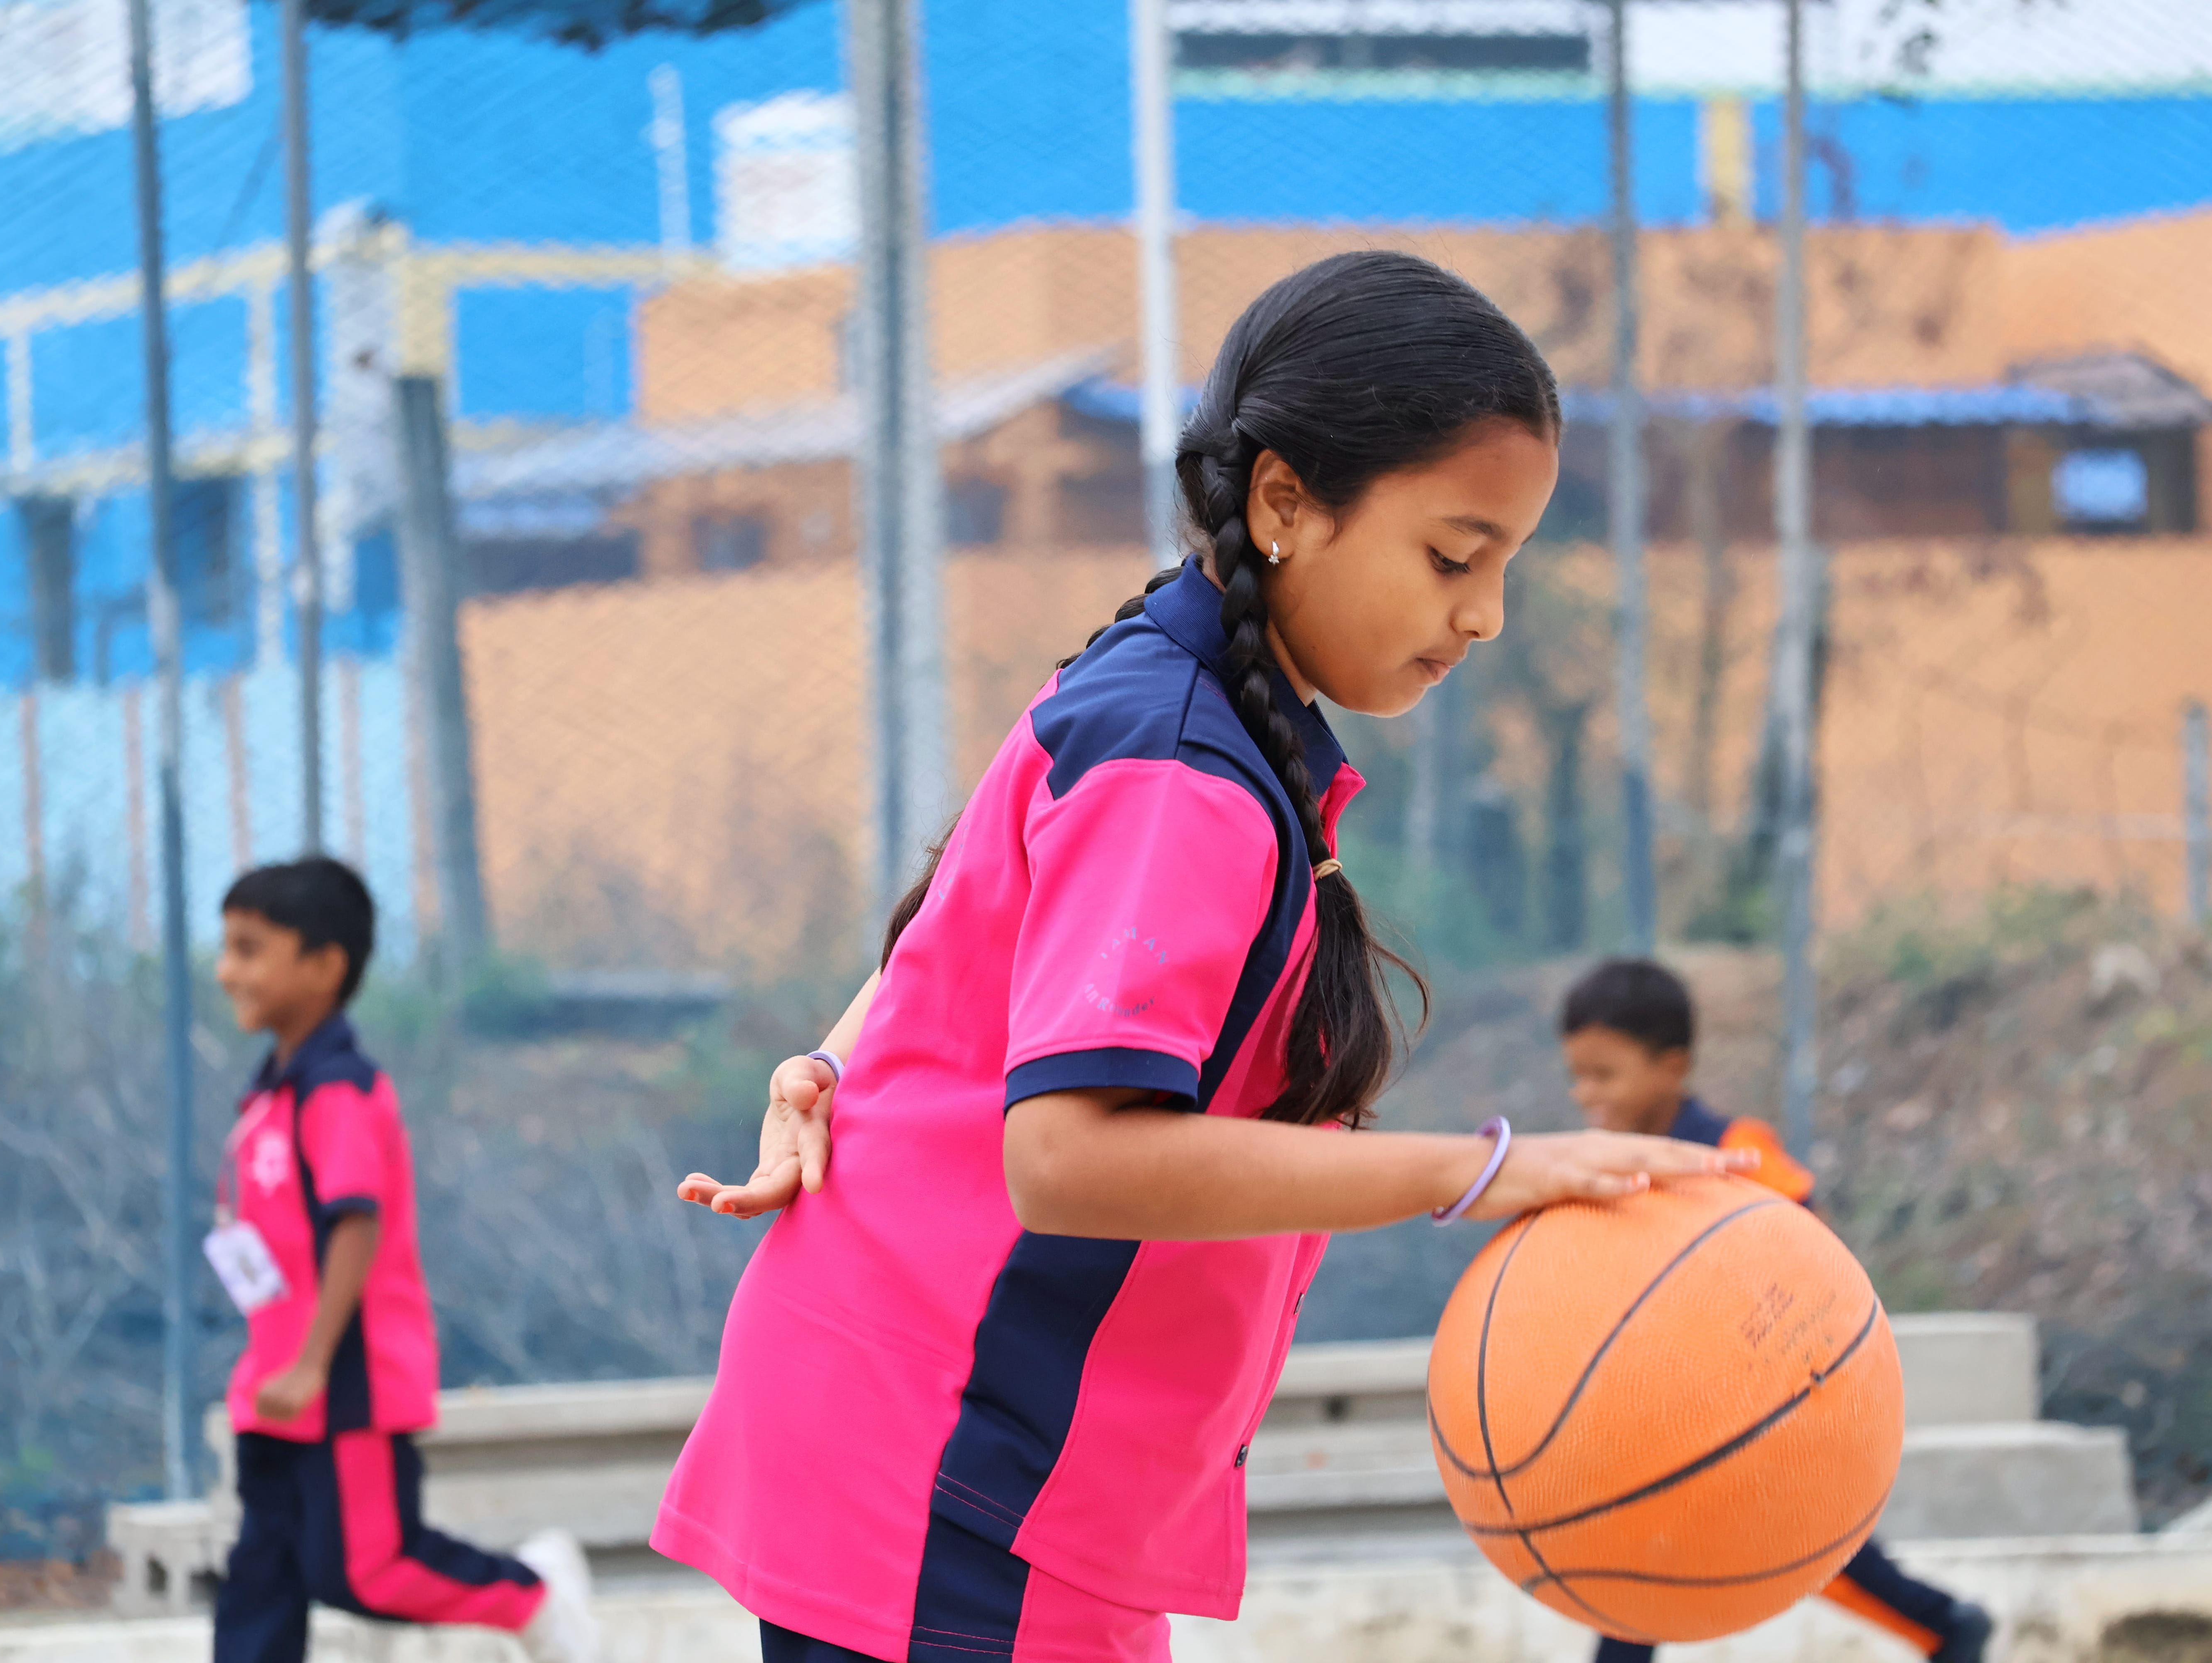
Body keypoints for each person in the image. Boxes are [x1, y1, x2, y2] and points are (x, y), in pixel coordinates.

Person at [658, 252, 1759, 1663]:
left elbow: (966, 927)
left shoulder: (1192, 706)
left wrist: (829, 1057)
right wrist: (1478, 1169)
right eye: (1452, 556)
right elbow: (1068, 1157)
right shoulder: (1183, 764)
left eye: (1507, 567)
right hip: (947, 1476)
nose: (1483, 615)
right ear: (1287, 502)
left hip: (984, 1475)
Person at [208, 856, 599, 1663]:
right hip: (274, 1389)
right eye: (227, 947)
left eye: (250, 949)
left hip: (341, 1383)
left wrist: (315, 1361)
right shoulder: (271, 1095)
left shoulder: (339, 1090)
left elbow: (356, 1220)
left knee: (367, 1568)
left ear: (324, 966)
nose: (227, 970)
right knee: (262, 1571)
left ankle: (532, 1590)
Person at [1558, 957, 1993, 1663]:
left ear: (1673, 1067)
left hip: (1765, 1401)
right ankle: (1948, 1628)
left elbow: (1806, 1233)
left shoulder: (1735, 1151)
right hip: (1678, 1408)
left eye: (1604, 1075)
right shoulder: (1610, 1169)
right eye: (1577, 1076)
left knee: (1817, 1555)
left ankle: (1947, 1627)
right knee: (1645, 1559)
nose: (1585, 1094)